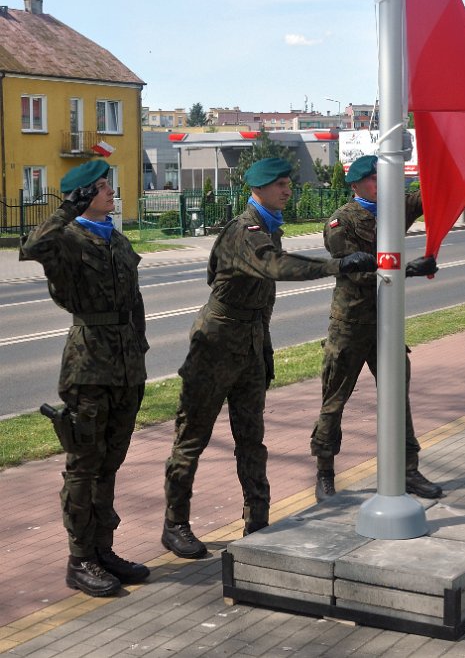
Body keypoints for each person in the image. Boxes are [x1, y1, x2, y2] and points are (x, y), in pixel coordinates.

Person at [162, 157, 377, 559]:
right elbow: (275, 267)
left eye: (288, 183)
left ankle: (257, 521)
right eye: (280, 184)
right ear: (258, 188)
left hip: (248, 347)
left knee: (251, 439)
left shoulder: (269, 229)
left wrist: (262, 351)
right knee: (192, 438)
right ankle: (175, 524)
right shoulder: (247, 231)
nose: (287, 190)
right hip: (215, 347)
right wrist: (337, 263)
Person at [19, 159, 150, 597]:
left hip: (126, 365)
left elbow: (135, 301)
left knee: (109, 465)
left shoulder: (116, 238)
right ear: (81, 196)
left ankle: (103, 550)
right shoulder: (68, 239)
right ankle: (79, 560)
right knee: (83, 466)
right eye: (101, 187)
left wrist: (141, 350)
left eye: (108, 185)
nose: (111, 192)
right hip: (89, 363)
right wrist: (64, 211)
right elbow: (31, 246)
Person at [310, 154, 443, 502]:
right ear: (356, 185)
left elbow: (433, 193)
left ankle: (408, 469)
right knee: (335, 399)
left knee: (399, 396)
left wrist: (446, 164)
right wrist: (407, 271)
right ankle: (324, 473)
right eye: (373, 179)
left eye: (383, 177)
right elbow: (356, 272)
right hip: (351, 324)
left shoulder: (395, 206)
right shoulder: (342, 221)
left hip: (387, 321)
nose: (381, 184)